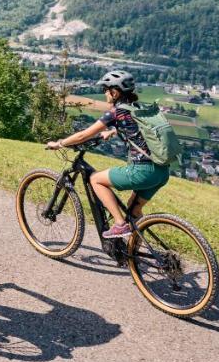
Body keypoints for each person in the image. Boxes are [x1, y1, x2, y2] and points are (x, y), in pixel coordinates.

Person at [46, 69, 169, 239]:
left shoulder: (115, 112)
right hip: (161, 171)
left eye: (106, 89)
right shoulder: (138, 107)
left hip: (143, 171)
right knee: (134, 211)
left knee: (95, 179)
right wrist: (112, 131)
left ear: (114, 91)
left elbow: (84, 135)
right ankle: (133, 257)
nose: (104, 93)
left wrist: (59, 144)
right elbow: (136, 129)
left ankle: (119, 224)